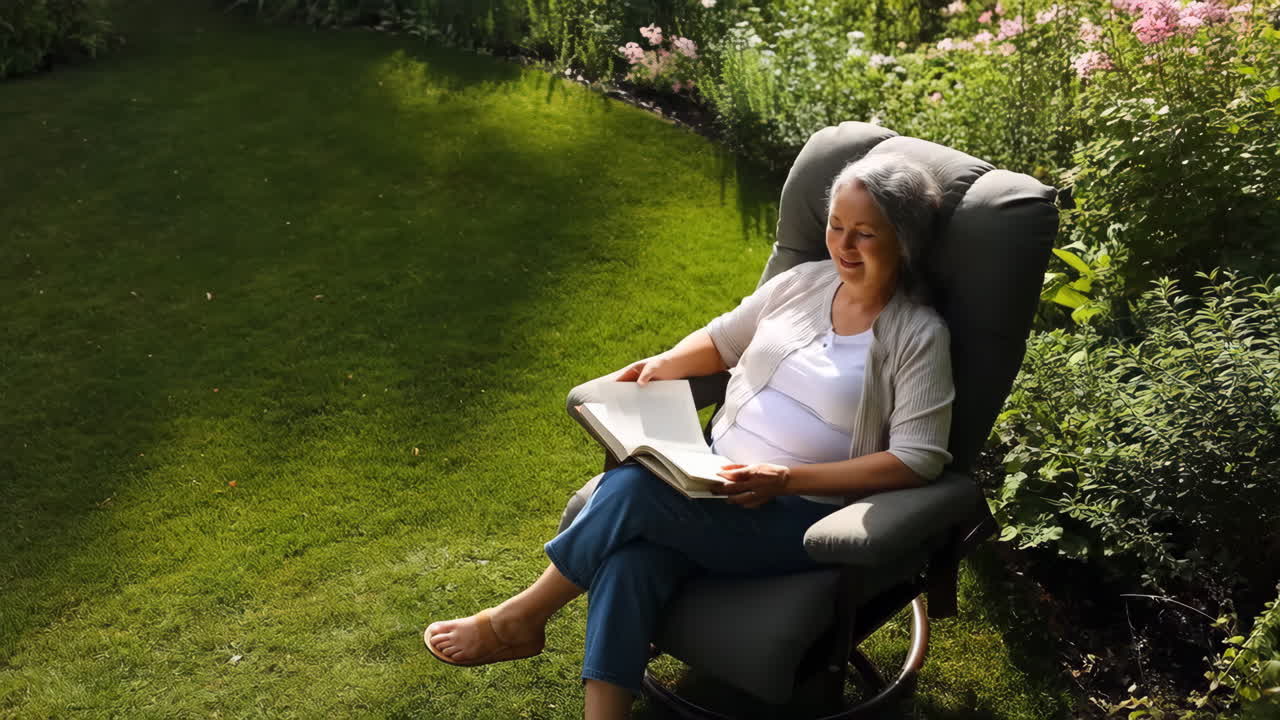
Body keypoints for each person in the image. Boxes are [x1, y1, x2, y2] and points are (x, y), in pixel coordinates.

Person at [423, 151, 955, 720]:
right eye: (835, 225)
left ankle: (521, 618)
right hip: (710, 476)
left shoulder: (918, 336)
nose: (843, 246)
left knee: (634, 490)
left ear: (903, 240)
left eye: (864, 234)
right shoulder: (804, 283)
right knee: (632, 563)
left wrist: (784, 480)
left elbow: (917, 459)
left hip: (804, 517)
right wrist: (665, 364)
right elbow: (722, 339)